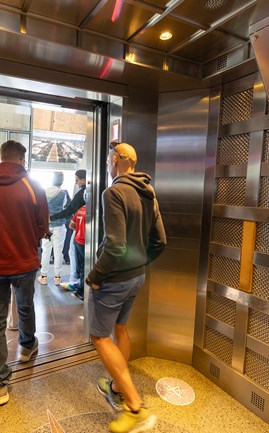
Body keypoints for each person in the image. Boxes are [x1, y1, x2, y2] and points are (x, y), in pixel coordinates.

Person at [87, 142, 166, 433]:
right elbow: (160, 241)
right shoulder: (148, 191)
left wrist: (95, 275)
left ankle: (135, 407)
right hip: (136, 276)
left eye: (110, 159)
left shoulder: (114, 192)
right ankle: (119, 385)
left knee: (99, 337)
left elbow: (116, 245)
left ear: (118, 160)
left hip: (115, 279)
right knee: (120, 328)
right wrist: (141, 262)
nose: (109, 164)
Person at [0, 140, 49, 406]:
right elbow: (42, 226)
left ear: (1, 157)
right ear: (22, 159)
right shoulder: (33, 186)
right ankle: (27, 347)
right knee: (25, 306)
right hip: (25, 262)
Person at [51, 169, 86, 288]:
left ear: (83, 180)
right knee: (67, 252)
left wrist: (51, 217)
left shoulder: (82, 193)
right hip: (81, 227)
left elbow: (69, 210)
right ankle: (73, 280)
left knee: (74, 254)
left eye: (77, 180)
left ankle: (75, 282)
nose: (76, 183)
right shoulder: (88, 193)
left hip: (79, 228)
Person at [38, 171, 70, 285]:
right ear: (61, 181)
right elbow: (64, 207)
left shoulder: (43, 192)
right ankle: (57, 277)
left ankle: (44, 276)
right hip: (59, 226)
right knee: (58, 251)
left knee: (45, 251)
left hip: (47, 227)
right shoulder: (63, 194)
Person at [69, 205, 86, 300]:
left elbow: (71, 225)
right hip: (85, 241)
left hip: (77, 240)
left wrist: (79, 229)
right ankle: (81, 291)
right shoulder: (92, 210)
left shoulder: (80, 209)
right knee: (85, 267)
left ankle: (80, 289)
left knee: (81, 266)